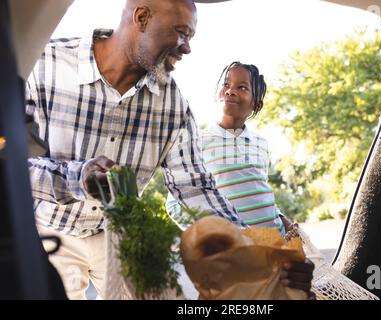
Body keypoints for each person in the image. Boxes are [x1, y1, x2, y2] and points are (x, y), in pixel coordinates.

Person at [26, 0, 247, 300]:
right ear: (141, 17)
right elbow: (14, 165)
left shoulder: (173, 105)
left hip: (119, 237)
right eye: (181, 33)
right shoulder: (45, 65)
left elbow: (195, 186)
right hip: (50, 233)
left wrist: (251, 246)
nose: (187, 48)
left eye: (190, 38)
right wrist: (78, 177)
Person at [166, 61, 314, 297]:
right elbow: (174, 203)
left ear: (256, 103)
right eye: (226, 84)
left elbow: (259, 192)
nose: (231, 90)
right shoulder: (197, 143)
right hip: (230, 255)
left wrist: (283, 223)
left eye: (242, 87)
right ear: (217, 94)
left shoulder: (261, 144)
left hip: (272, 247)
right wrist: (213, 236)